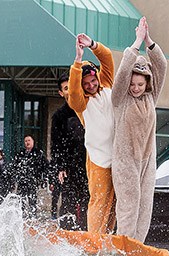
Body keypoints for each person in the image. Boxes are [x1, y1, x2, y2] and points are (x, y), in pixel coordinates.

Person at [111, 17, 167, 243]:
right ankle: (122, 247)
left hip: (147, 160)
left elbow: (161, 65)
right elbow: (124, 71)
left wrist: (148, 40)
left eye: (140, 84)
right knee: (128, 203)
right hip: (125, 159)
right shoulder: (120, 99)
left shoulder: (151, 98)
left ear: (147, 83)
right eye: (133, 84)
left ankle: (137, 247)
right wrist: (135, 42)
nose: (135, 88)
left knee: (145, 205)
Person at [68, 32, 116, 234]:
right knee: (99, 200)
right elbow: (73, 93)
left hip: (118, 154)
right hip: (98, 158)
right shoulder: (81, 103)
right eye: (85, 83)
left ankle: (110, 237)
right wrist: (78, 61)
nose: (90, 85)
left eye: (92, 81)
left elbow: (108, 58)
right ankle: (94, 240)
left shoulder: (107, 83)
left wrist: (93, 45)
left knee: (116, 201)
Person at [51, 73, 88, 230]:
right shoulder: (59, 116)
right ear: (61, 93)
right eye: (66, 88)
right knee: (68, 201)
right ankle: (67, 234)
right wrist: (60, 166)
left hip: (90, 163)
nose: (69, 90)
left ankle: (89, 232)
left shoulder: (88, 107)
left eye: (72, 86)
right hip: (69, 166)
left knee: (89, 200)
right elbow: (56, 144)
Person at [12, 135, 47, 217]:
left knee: (32, 201)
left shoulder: (38, 153)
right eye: (25, 141)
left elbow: (45, 167)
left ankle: (33, 217)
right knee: (21, 200)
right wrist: (15, 179)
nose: (27, 142)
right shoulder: (20, 153)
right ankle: (21, 217)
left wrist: (43, 179)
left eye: (29, 140)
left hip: (33, 181)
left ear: (33, 142)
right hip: (22, 181)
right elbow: (15, 167)